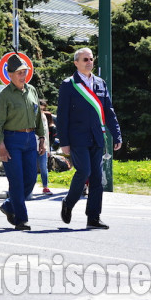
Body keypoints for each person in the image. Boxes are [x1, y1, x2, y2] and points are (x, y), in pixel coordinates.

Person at [57, 47, 122, 229]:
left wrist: (116, 134)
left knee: (96, 178)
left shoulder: (100, 83)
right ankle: (68, 203)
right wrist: (64, 142)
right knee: (84, 171)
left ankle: (93, 217)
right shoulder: (69, 84)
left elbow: (108, 111)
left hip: (97, 137)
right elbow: (62, 116)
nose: (89, 62)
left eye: (91, 59)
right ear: (76, 63)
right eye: (85, 59)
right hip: (77, 138)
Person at [0, 55, 46, 231]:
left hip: (30, 139)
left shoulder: (32, 91)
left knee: (30, 179)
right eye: (19, 73)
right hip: (12, 140)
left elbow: (38, 116)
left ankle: (9, 205)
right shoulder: (4, 96)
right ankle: (21, 220)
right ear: (9, 75)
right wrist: (0, 146)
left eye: (25, 72)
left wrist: (42, 138)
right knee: (16, 181)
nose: (23, 76)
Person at [37, 99, 53, 196]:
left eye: (43, 108)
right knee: (32, 168)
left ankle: (45, 186)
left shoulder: (44, 117)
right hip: (33, 145)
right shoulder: (33, 116)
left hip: (44, 146)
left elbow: (46, 134)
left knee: (44, 167)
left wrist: (48, 149)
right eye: (41, 108)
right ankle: (28, 187)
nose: (42, 110)